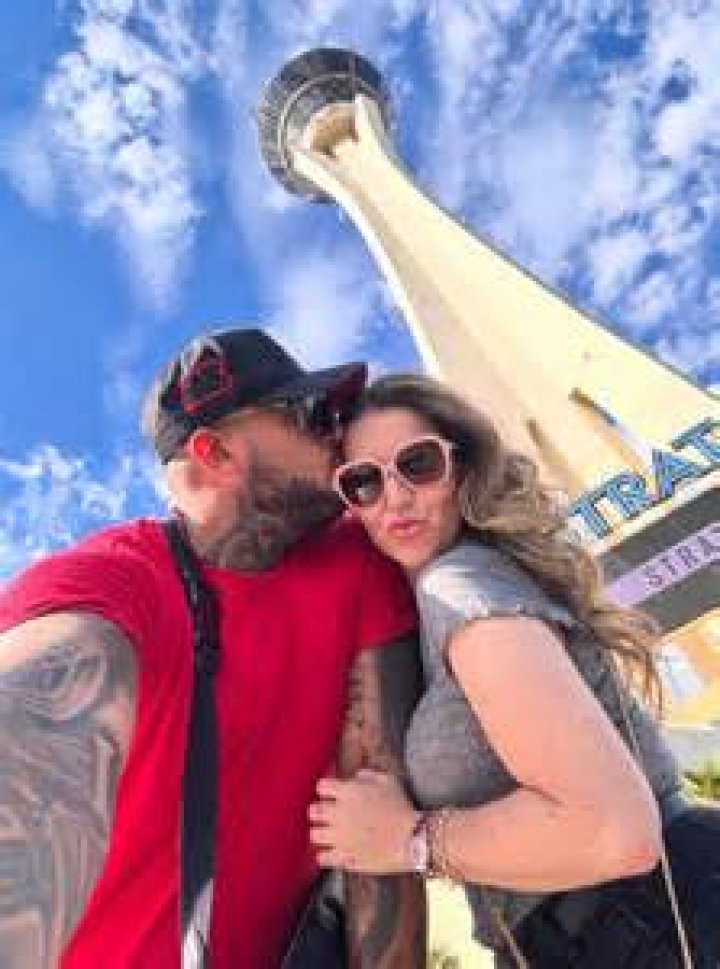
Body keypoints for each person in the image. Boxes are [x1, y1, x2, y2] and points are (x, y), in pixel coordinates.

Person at [0, 328, 427, 969]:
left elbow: (374, 819)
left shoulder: (352, 561)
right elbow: (33, 734)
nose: (338, 432)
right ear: (216, 452)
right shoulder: (105, 585)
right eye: (311, 414)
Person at [308, 372, 720, 969]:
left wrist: (409, 839)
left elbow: (614, 831)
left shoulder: (459, 586)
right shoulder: (443, 600)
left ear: (462, 467)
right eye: (363, 482)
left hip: (651, 918)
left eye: (418, 464)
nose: (394, 497)